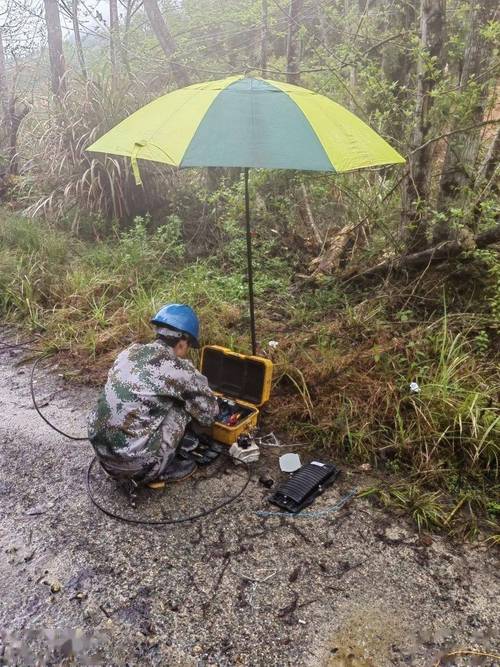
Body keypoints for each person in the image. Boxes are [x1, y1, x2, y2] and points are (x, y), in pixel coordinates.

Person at [87, 303, 219, 484]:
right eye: (188, 346)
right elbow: (208, 415)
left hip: (102, 455)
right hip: (135, 467)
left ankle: (135, 456)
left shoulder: (128, 353)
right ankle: (159, 468)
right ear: (182, 343)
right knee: (180, 407)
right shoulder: (178, 369)